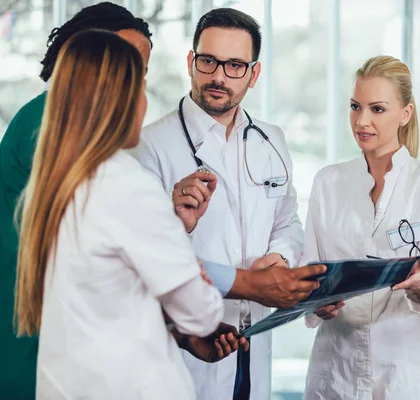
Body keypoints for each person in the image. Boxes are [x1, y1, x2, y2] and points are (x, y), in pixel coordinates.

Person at [15, 29, 233, 399]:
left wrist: (170, 233)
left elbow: (105, 296)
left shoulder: (55, 187)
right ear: (120, 100)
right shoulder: (127, 185)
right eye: (140, 87)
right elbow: (202, 315)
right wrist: (191, 269)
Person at [133, 8, 305, 400]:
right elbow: (143, 254)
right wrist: (177, 220)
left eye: (234, 66)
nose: (218, 76)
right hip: (189, 346)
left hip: (254, 340)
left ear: (254, 74)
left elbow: (288, 222)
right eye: (208, 61)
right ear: (191, 62)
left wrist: (278, 259)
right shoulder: (150, 146)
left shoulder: (271, 141)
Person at [0, 3, 152, 397]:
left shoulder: (63, 120)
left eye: (139, 71)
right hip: (29, 330)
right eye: (122, 63)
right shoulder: (49, 122)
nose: (131, 82)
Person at [301, 55, 420, 399]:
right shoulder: (328, 182)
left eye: (377, 109)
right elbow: (309, 271)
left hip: (409, 372)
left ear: (405, 114)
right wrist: (316, 302)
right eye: (355, 106)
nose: (361, 120)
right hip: (336, 370)